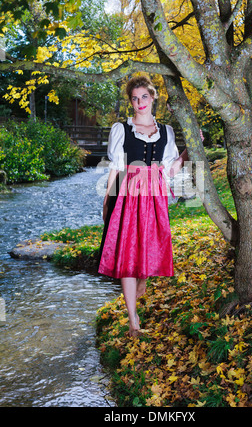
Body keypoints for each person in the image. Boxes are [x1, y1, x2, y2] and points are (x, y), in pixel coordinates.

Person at [98, 75, 188, 337]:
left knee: (147, 250)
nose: (139, 102)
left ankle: (140, 289)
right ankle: (133, 322)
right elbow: (115, 168)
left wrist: (186, 153)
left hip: (155, 192)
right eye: (135, 98)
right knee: (127, 251)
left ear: (153, 97)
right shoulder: (121, 129)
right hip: (128, 191)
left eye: (144, 97)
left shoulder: (166, 132)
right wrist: (107, 198)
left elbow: (169, 170)